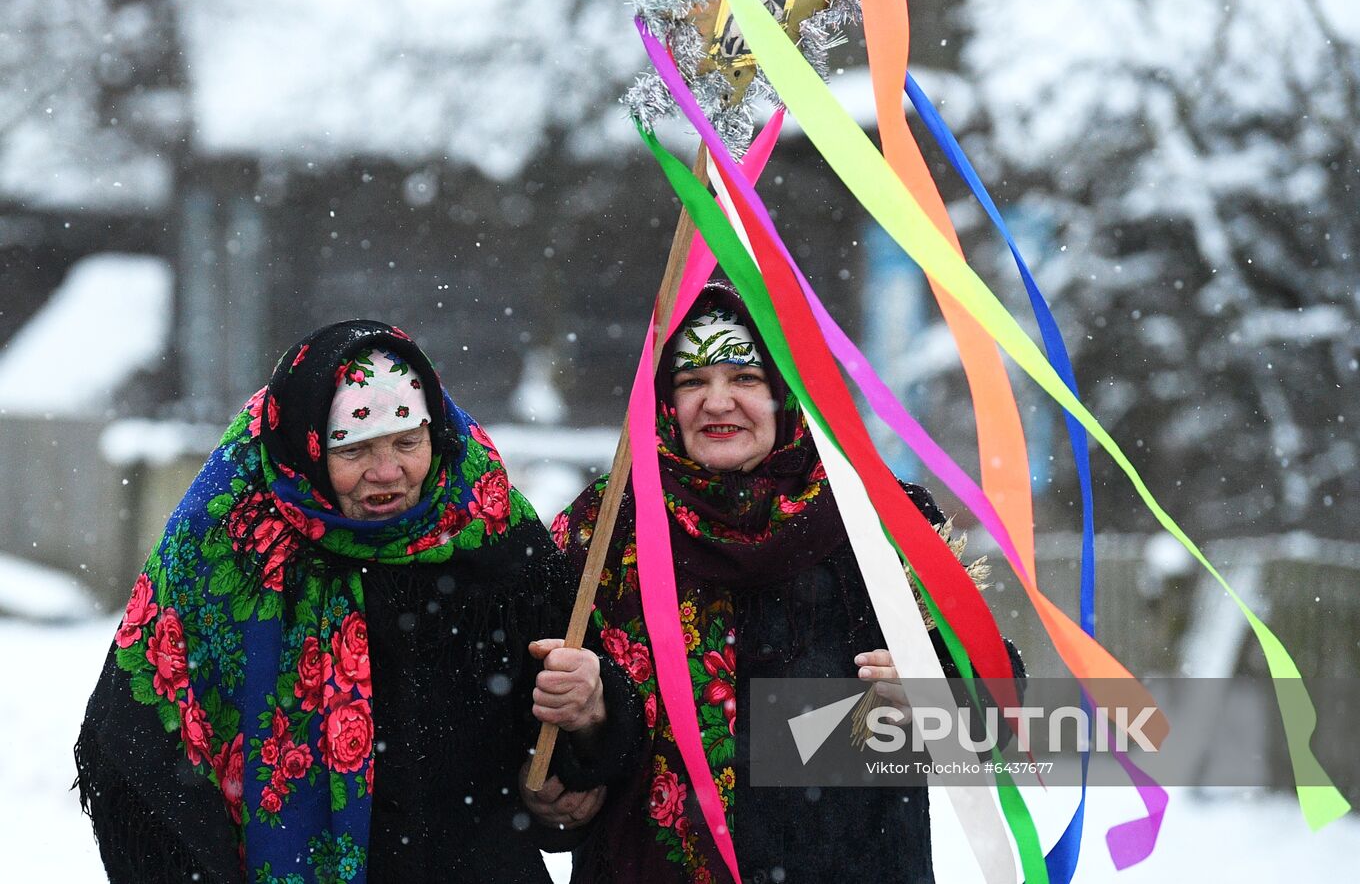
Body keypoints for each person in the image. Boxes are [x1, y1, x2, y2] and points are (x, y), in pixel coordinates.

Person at [74, 320, 640, 884]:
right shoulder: (229, 543)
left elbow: (565, 744)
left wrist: (587, 730)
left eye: (407, 442)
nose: (388, 471)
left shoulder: (487, 530)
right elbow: (141, 751)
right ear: (307, 448)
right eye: (355, 448)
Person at [536, 282, 1023, 883]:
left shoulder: (880, 520)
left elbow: (1002, 712)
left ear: (786, 390)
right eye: (692, 382)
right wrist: (579, 738)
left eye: (745, 378)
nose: (717, 403)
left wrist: (941, 693)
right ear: (661, 400)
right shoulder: (603, 530)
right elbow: (542, 747)